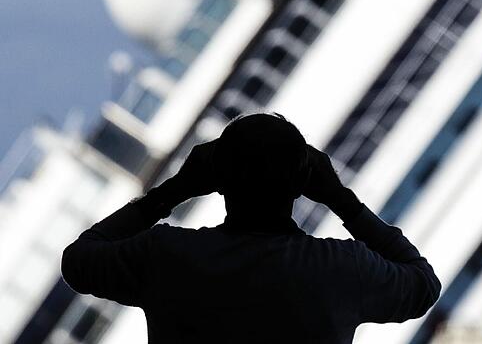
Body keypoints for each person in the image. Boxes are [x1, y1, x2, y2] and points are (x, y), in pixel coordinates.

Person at [61, 113, 441, 343]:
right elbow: (423, 285)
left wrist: (174, 190)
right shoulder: (341, 268)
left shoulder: (167, 255)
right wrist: (340, 198)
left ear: (217, 177)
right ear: (303, 181)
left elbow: (78, 260)